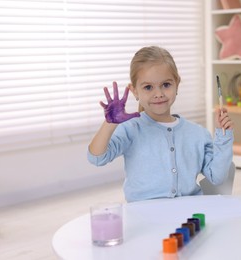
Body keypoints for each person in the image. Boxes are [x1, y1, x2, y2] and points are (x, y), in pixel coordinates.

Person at [87, 46, 233, 202]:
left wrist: (223, 137)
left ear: (177, 83)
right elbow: (97, 158)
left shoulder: (198, 134)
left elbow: (217, 177)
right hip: (144, 216)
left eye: (166, 85)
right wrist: (109, 124)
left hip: (189, 217)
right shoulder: (131, 128)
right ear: (134, 91)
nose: (159, 94)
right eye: (148, 87)